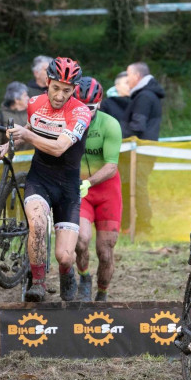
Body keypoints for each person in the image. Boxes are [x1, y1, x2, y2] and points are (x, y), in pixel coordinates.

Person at [0, 57, 92, 302]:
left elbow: (59, 148)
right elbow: (30, 130)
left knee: (64, 255)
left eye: (67, 90)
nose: (60, 95)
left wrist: (27, 134)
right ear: (47, 83)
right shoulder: (34, 103)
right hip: (40, 178)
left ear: (75, 90)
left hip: (68, 187)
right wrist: (7, 146)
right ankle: (38, 282)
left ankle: (66, 271)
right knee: (37, 224)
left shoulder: (80, 112)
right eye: (56, 88)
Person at [73, 77, 123, 302]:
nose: (85, 112)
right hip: (79, 189)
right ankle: (84, 277)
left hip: (106, 191)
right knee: (80, 241)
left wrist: (89, 182)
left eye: (90, 108)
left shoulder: (110, 124)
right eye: (80, 106)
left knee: (105, 251)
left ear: (99, 104)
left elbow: (111, 166)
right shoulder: (66, 120)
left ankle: (102, 293)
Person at [123, 62, 165, 234]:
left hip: (141, 151)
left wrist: (115, 130)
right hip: (144, 150)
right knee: (136, 187)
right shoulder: (146, 95)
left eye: (128, 75)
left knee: (138, 188)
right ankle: (138, 224)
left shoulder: (144, 97)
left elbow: (137, 125)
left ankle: (144, 226)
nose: (126, 80)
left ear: (137, 76)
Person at [0, 82, 30, 151]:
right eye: (25, 96)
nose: (28, 98)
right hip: (11, 160)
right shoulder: (1, 116)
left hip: (33, 160)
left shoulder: (31, 113)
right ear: (16, 99)